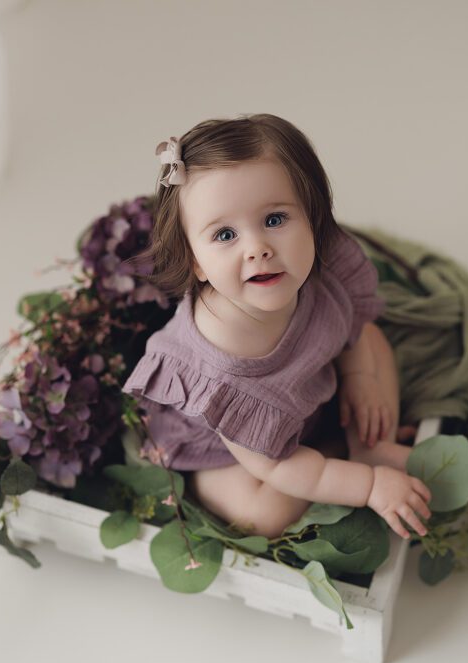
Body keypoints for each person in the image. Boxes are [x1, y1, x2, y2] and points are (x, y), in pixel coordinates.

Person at [122, 114, 432, 541]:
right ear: (195, 261)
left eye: (274, 220)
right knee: (258, 515)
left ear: (312, 217)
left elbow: (353, 333)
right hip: (238, 452)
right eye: (225, 234)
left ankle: (367, 441)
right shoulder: (218, 363)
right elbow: (274, 465)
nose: (258, 250)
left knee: (369, 338)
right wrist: (370, 485)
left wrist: (360, 379)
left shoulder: (320, 275)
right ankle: (345, 451)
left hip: (306, 395)